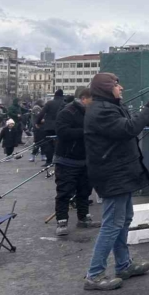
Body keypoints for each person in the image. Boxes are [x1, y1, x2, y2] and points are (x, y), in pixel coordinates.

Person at [82, 73, 149, 291]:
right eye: (117, 85)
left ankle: (123, 265)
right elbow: (129, 129)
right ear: (105, 88)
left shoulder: (109, 107)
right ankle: (94, 274)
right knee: (112, 223)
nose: (121, 88)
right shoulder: (101, 110)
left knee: (124, 218)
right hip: (112, 173)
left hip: (120, 171)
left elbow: (128, 124)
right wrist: (148, 107)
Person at [54, 87, 101, 236]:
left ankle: (84, 218)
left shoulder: (91, 113)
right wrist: (86, 131)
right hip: (67, 160)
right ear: (84, 99)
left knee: (84, 191)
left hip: (86, 160)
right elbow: (62, 132)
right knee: (64, 192)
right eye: (93, 100)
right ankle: (62, 221)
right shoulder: (67, 112)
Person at [36, 89, 66, 166]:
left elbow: (41, 113)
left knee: (48, 143)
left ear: (55, 95)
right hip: (60, 127)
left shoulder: (49, 103)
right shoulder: (64, 103)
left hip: (48, 127)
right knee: (60, 143)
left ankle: (49, 161)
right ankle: (59, 160)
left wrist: (38, 122)